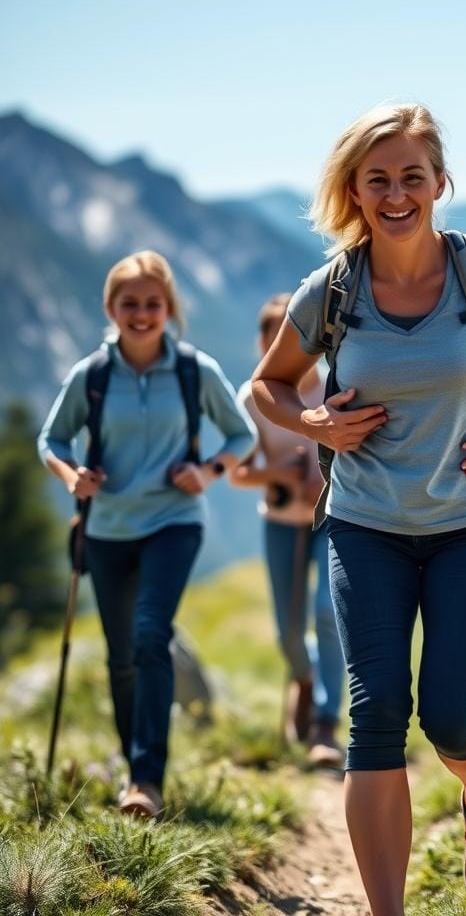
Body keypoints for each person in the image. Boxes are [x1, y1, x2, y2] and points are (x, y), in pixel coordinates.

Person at [250, 102, 466, 915]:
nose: (397, 194)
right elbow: (267, 384)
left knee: (454, 718)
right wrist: (313, 421)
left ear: (440, 182)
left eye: (412, 177)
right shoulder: (331, 291)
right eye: (378, 180)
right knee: (376, 717)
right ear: (354, 192)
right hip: (364, 528)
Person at [38, 250, 256, 818]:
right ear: (111, 308)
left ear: (169, 309)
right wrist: (72, 477)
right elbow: (52, 441)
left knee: (149, 635)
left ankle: (145, 781)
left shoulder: (193, 371)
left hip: (173, 523)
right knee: (121, 658)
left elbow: (241, 433)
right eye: (129, 303)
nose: (141, 313)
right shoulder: (92, 376)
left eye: (152, 304)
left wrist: (206, 471)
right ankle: (136, 767)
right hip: (107, 528)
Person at [231, 293, 345, 767]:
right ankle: (304, 679)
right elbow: (238, 472)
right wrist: (278, 474)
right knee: (288, 630)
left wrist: (326, 474)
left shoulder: (337, 386)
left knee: (327, 610)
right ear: (262, 342)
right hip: (281, 522)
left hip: (334, 517)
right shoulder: (250, 399)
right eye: (274, 334)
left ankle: (324, 721)